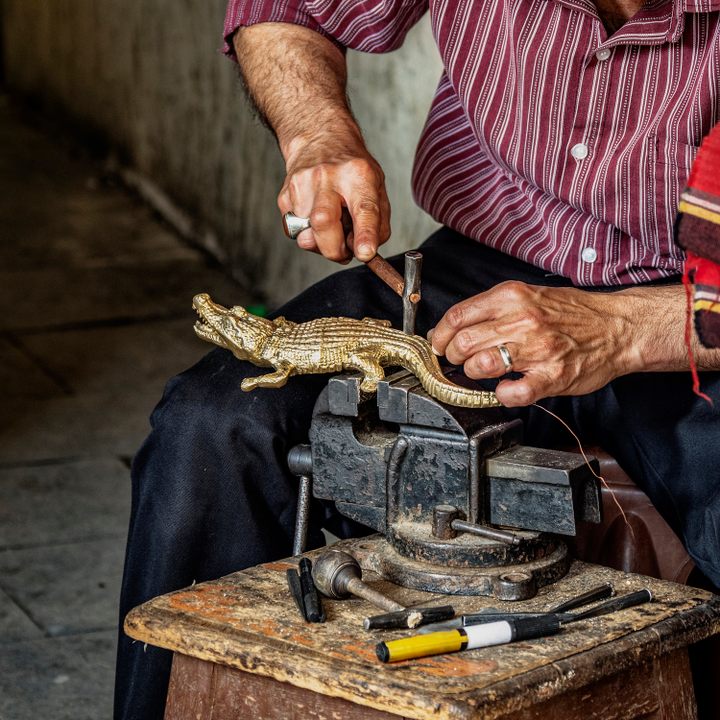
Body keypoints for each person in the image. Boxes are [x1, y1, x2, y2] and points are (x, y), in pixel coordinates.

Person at [114, 2, 720, 718]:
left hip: (686, 300)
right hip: (477, 271)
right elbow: (284, 10)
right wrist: (318, 134)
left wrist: (625, 329)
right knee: (211, 425)